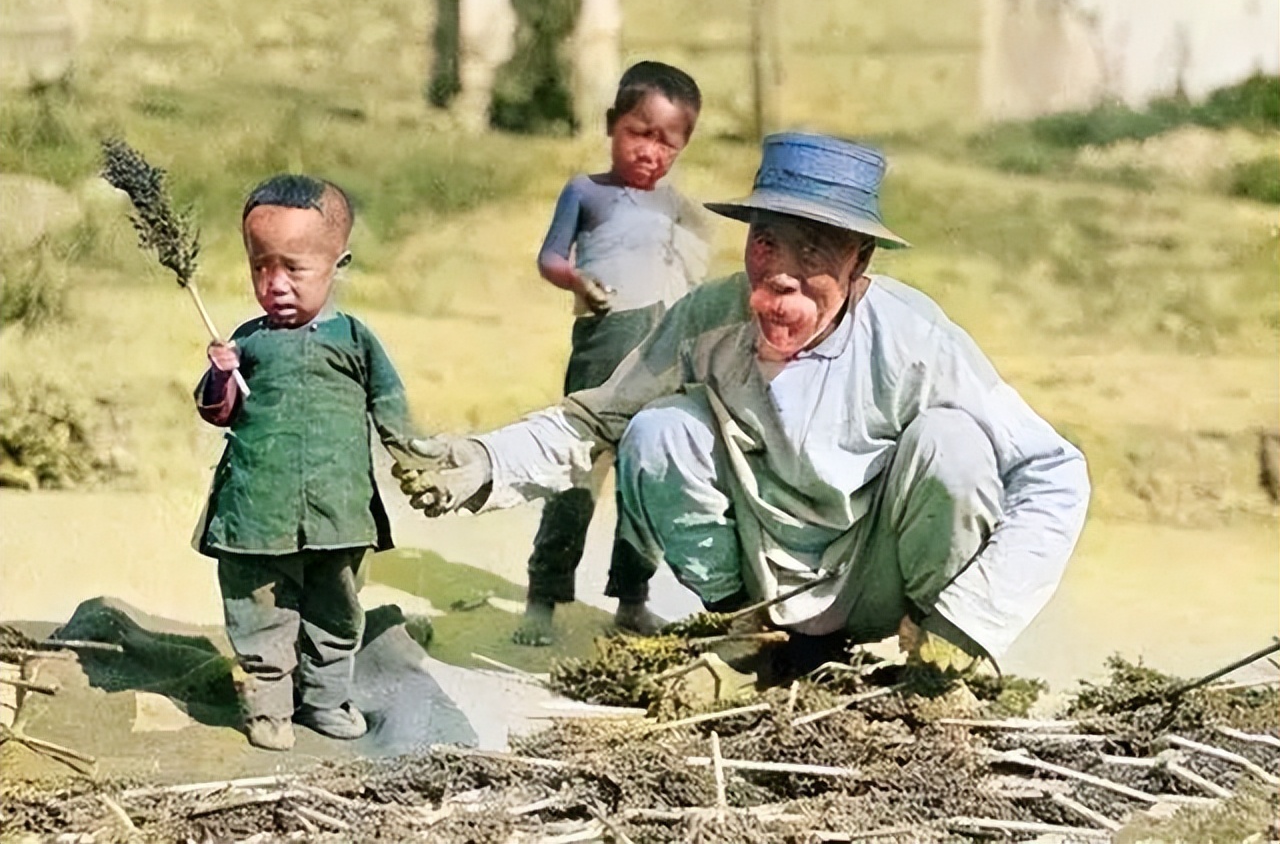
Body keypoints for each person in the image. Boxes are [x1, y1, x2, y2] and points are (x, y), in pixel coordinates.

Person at [395, 133, 1091, 672]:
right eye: (766, 243)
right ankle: (749, 640)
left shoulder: (916, 340)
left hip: (880, 578)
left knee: (953, 445)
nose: (779, 276)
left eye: (812, 252)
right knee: (658, 430)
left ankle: (932, 661)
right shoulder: (710, 319)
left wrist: (969, 622)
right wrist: (484, 462)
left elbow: (1054, 470)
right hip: (762, 578)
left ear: (860, 263)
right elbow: (595, 418)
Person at [195, 174, 431, 750]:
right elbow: (217, 411)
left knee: (336, 610)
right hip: (257, 508)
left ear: (336, 264)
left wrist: (415, 459)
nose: (274, 284)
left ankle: (326, 700)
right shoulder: (247, 342)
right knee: (259, 611)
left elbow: (389, 403)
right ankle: (270, 708)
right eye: (260, 267)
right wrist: (221, 375)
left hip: (338, 510)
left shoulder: (354, 340)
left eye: (293, 268)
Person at [513, 60, 710, 646]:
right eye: (637, 132)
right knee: (577, 472)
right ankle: (543, 596)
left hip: (663, 355)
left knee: (645, 478)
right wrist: (577, 281)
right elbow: (550, 257)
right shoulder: (587, 192)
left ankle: (633, 598)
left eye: (666, 141)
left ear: (684, 144)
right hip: (603, 348)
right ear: (610, 125)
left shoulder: (680, 210)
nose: (650, 150)